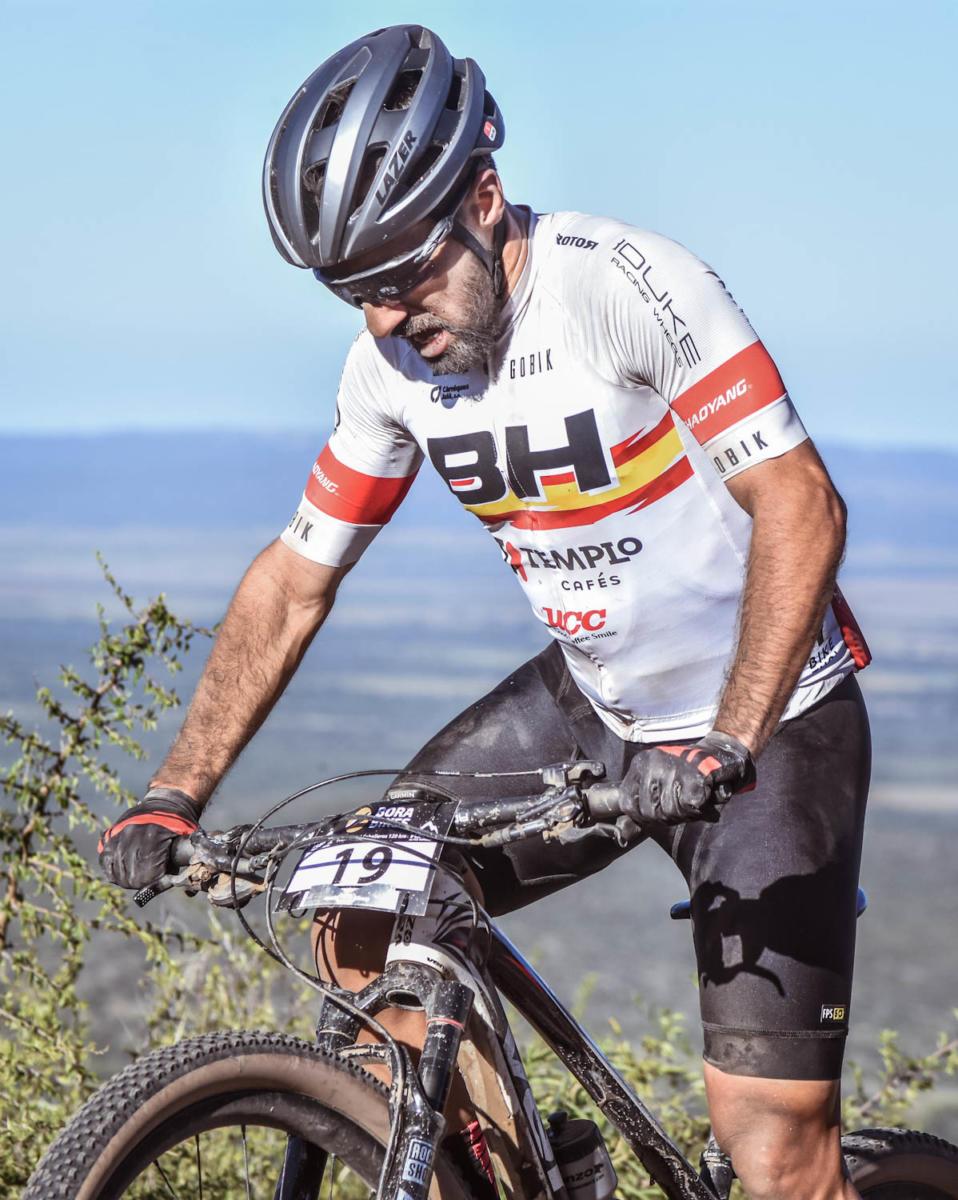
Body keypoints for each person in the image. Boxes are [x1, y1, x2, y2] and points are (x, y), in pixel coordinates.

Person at [99, 24, 872, 1200]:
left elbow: (801, 506)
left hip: (770, 726)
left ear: (483, 200)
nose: (385, 318)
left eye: (402, 276)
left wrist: (730, 737)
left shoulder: (623, 286)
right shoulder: (390, 371)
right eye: (352, 293)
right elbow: (296, 577)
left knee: (771, 1146)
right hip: (596, 702)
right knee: (361, 906)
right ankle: (509, 1176)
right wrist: (175, 789)